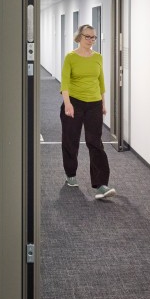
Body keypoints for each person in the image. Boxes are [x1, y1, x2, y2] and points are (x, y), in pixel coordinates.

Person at [60, 24, 114, 200]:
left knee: (95, 142)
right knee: (71, 140)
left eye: (93, 37)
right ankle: (71, 174)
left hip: (94, 103)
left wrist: (103, 103)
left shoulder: (98, 57)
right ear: (79, 37)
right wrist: (67, 103)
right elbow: (65, 82)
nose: (91, 40)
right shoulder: (70, 57)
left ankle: (101, 185)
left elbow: (101, 81)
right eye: (88, 37)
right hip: (74, 102)